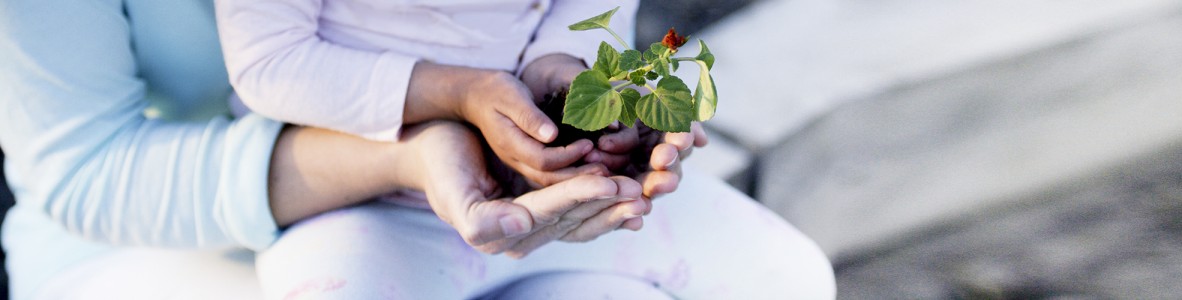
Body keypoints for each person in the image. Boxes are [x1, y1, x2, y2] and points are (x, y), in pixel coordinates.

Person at [0, 1, 836, 299]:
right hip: (155, 236)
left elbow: (570, 24)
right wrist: (428, 129)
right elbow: (89, 171)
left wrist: (581, 101)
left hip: (503, 191)